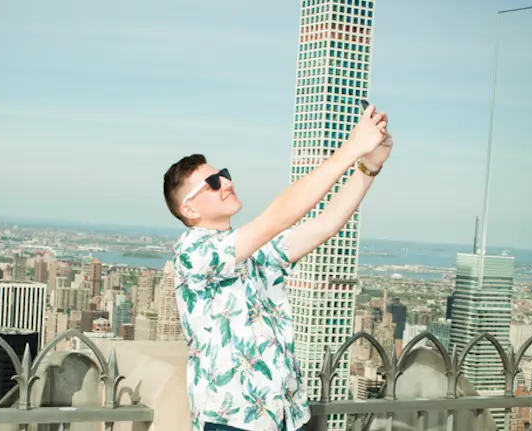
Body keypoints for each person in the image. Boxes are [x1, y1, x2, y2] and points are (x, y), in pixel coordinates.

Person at [162, 105, 393, 431]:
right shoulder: (194, 252)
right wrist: (352, 148)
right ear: (189, 208)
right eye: (213, 183)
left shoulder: (253, 252)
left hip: (287, 414)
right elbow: (279, 216)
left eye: (224, 174)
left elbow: (326, 224)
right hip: (234, 421)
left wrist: (369, 165)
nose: (226, 182)